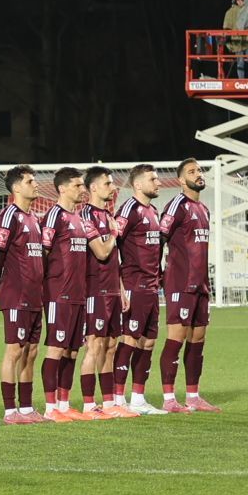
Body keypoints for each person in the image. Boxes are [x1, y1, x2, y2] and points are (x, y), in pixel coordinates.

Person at [157, 158, 218, 411]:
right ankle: (169, 399)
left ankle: (193, 396)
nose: (198, 174)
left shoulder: (203, 209)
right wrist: (159, 272)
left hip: (201, 284)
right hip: (180, 283)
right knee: (177, 337)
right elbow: (160, 237)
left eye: (200, 170)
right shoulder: (176, 206)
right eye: (192, 172)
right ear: (181, 180)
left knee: (198, 338)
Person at [0, 165, 46, 423]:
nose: (35, 184)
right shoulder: (8, 215)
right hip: (16, 293)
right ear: (16, 187)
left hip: (35, 295)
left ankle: (26, 408)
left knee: (31, 351)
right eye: (30, 181)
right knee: (14, 350)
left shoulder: (34, 218)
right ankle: (10, 411)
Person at [113, 163, 169, 415]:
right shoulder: (128, 210)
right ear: (137, 184)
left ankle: (138, 398)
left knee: (148, 343)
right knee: (130, 340)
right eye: (152, 179)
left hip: (151, 287)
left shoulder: (154, 211)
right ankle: (117, 398)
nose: (158, 183)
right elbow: (112, 247)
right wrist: (120, 286)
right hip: (134, 285)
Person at [78, 166, 132, 418]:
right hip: (94, 290)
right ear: (93, 188)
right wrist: (112, 233)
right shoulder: (86, 215)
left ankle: (109, 402)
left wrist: (120, 289)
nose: (113, 188)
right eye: (108, 183)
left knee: (111, 345)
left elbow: (115, 257)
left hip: (111, 288)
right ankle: (89, 405)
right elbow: (101, 252)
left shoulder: (108, 214)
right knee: (95, 345)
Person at [38, 166, 90, 421]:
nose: (83, 189)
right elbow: (44, 254)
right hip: (59, 293)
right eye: (78, 185)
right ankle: (50, 409)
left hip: (79, 294)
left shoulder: (80, 218)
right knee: (56, 349)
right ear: (62, 188)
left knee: (72, 351)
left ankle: (64, 403)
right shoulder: (53, 216)